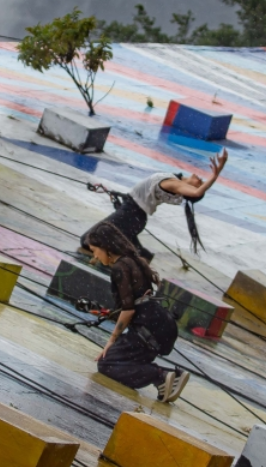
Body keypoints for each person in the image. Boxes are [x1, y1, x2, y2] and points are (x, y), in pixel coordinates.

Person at [89, 221, 190, 403]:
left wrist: (111, 340)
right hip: (160, 325)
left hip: (148, 329)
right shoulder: (133, 259)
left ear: (105, 247)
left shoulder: (120, 268)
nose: (94, 256)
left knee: (106, 364)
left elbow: (128, 310)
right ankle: (164, 380)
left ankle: (161, 375)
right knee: (118, 360)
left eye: (95, 250)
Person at [82, 149, 227, 262]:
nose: (200, 179)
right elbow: (189, 186)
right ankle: (141, 256)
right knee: (123, 247)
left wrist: (215, 175)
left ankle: (139, 258)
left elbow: (196, 193)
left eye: (200, 183)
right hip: (132, 213)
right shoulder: (176, 178)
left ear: (189, 190)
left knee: (87, 240)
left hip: (131, 214)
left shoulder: (175, 185)